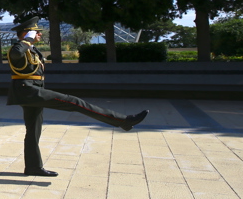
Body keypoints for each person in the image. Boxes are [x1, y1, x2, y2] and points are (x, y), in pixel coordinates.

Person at [8, 17, 149, 177]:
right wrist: (27, 39)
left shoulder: (31, 49)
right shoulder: (19, 48)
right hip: (28, 91)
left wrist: (29, 42)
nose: (39, 34)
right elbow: (15, 53)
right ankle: (122, 120)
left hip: (33, 90)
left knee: (33, 130)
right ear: (28, 33)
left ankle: (33, 167)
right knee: (74, 102)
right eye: (37, 32)